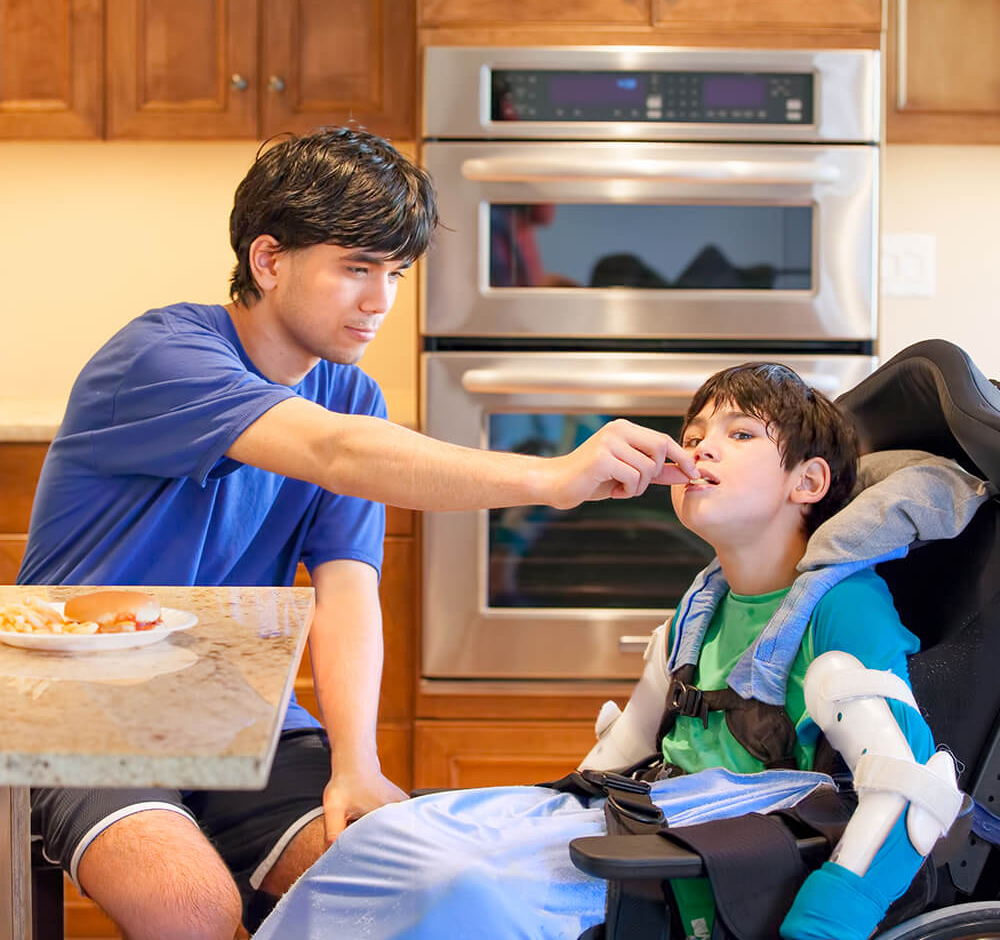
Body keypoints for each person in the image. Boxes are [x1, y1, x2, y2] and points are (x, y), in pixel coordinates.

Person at [18, 127, 699, 940]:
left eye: (395, 273)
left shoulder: (355, 394)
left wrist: (357, 765)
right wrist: (551, 479)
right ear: (268, 261)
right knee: (189, 906)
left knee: (392, 873)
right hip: (78, 714)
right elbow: (331, 452)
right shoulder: (162, 354)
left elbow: (346, 589)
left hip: (240, 710)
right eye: (355, 268)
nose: (379, 300)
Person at [252, 360, 961, 940]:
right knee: (392, 837)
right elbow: (614, 760)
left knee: (467, 891)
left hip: (714, 872)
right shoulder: (699, 610)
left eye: (740, 435)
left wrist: (826, 924)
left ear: (808, 483)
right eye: (697, 430)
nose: (700, 445)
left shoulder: (842, 609)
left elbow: (910, 794)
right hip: (650, 822)